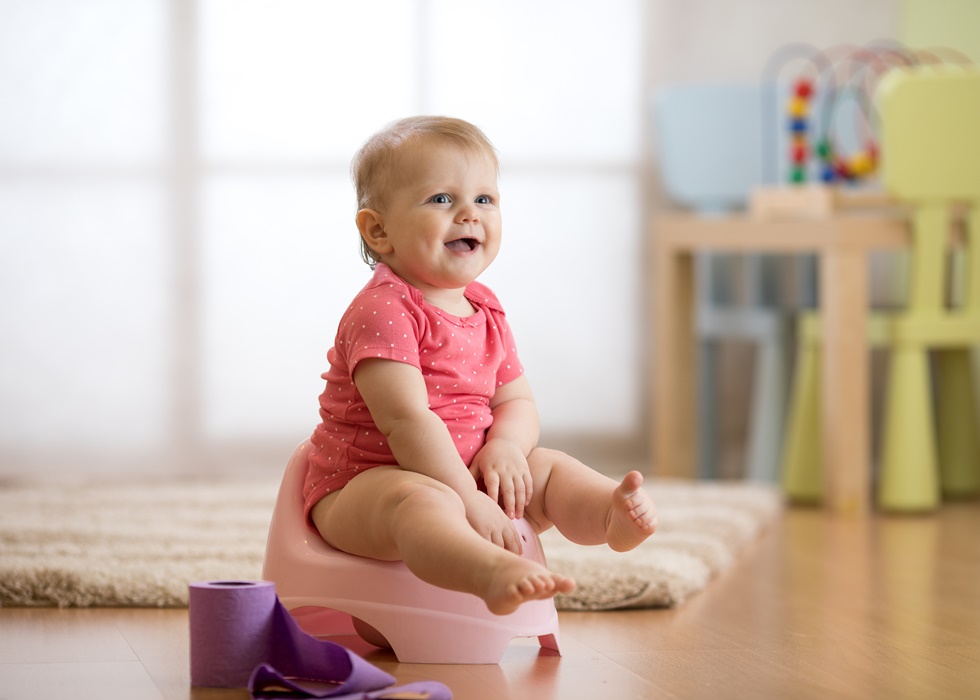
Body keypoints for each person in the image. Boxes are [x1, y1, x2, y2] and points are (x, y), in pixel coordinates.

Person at [303, 116, 657, 616]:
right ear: (378, 229)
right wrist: (465, 498)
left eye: (484, 200)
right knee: (421, 503)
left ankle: (608, 515)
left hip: (468, 473)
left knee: (548, 468)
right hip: (366, 484)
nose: (469, 214)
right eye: (442, 199)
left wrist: (508, 449)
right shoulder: (383, 309)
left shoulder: (485, 308)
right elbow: (407, 421)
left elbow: (515, 399)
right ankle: (486, 571)